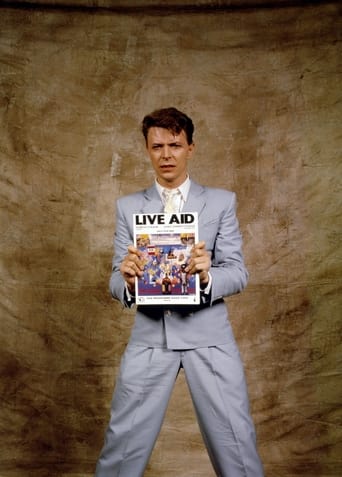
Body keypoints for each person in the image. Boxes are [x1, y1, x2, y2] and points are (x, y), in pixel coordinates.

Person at [95, 107, 264, 477]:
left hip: (210, 338)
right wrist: (125, 278)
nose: (166, 154)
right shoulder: (128, 208)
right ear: (146, 150)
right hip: (150, 338)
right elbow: (112, 281)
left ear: (191, 148)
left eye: (175, 145)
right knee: (122, 446)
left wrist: (207, 277)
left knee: (237, 444)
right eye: (157, 146)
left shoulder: (221, 202)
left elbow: (238, 273)